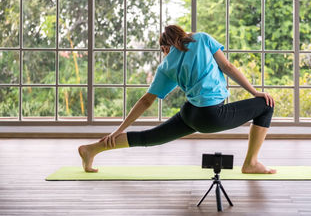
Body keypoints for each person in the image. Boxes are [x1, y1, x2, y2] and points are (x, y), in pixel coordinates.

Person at [79, 25, 276, 174]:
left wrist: (119, 129)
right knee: (265, 105)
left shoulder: (166, 66)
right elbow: (228, 67)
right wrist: (255, 92)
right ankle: (251, 163)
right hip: (211, 115)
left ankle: (91, 149)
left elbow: (146, 101)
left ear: (165, 47)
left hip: (190, 113)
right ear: (182, 34)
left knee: (149, 137)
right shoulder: (202, 39)